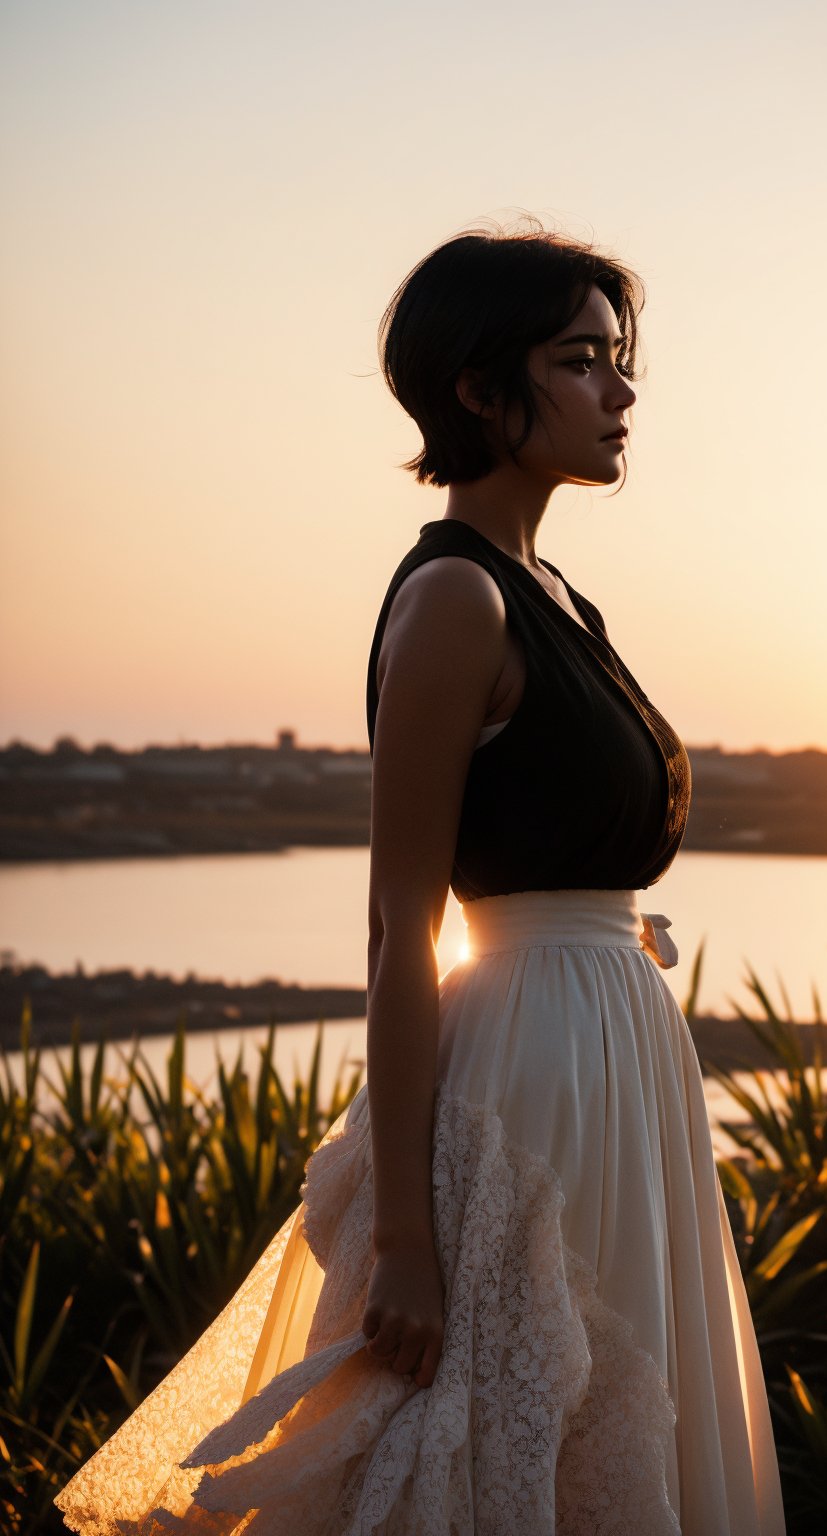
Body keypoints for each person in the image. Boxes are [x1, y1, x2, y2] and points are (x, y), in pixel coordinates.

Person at [54, 216, 787, 1534]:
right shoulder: (455, 599)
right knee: (499, 1446)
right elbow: (402, 927)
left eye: (622, 360)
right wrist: (405, 1235)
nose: (620, 392)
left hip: (615, 1053)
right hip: (531, 1069)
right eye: (581, 360)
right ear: (478, 387)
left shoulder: (553, 592)